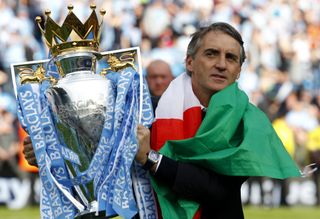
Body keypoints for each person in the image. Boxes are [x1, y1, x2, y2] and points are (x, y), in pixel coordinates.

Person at [135, 22, 301, 219]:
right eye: (211, 53)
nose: (221, 64)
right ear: (190, 62)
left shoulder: (248, 121)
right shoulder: (148, 111)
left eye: (231, 58)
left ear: (238, 71)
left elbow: (214, 189)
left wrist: (150, 158)